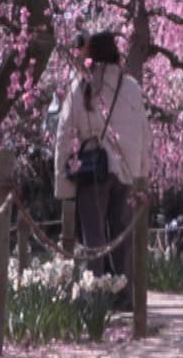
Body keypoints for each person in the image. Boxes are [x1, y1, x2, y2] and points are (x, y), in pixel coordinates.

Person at [53, 30, 148, 300]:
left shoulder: (82, 86)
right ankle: (125, 295)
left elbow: (64, 135)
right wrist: (141, 176)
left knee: (93, 238)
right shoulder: (131, 88)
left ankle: (93, 298)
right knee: (122, 237)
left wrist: (62, 184)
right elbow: (144, 135)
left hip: (93, 170)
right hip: (126, 172)